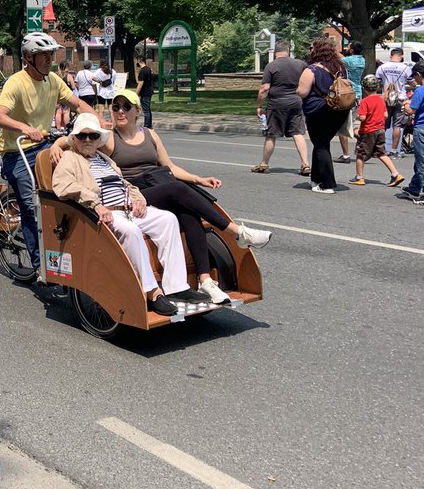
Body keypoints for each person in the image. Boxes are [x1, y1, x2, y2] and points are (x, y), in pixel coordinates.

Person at [57, 91, 272, 305]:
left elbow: (161, 168)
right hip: (115, 205)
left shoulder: (133, 143)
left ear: (137, 111)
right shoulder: (104, 142)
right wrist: (59, 145)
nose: (120, 111)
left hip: (139, 195)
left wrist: (197, 179)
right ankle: (234, 234)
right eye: (115, 107)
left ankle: (192, 283)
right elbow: (69, 164)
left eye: (126, 107)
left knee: (179, 215)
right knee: (176, 192)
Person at [52, 112, 205, 315]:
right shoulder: (70, 159)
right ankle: (153, 292)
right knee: (131, 231)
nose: (88, 140)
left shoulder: (105, 159)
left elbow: (124, 183)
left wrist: (138, 199)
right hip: (105, 213)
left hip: (128, 208)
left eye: (93, 136)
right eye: (82, 136)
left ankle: (176, 287)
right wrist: (96, 204)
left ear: (99, 140)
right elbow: (62, 185)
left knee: (168, 220)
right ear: (74, 139)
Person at [0, 33, 93, 274]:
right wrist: (26, 128)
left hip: (45, 147)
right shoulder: (16, 83)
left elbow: (77, 104)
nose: (49, 59)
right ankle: (41, 268)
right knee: (29, 204)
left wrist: (99, 121)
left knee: (73, 182)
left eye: (51, 54)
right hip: (16, 151)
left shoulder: (53, 81)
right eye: (43, 55)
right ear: (28, 57)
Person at [296, 37, 350, 194]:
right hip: (339, 109)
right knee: (322, 143)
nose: (309, 50)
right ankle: (316, 179)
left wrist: (296, 89)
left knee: (320, 145)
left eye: (311, 47)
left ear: (317, 50)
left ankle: (327, 184)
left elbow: (303, 92)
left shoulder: (311, 69)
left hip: (318, 110)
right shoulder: (339, 67)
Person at [252, 41, 311, 175]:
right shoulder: (300, 64)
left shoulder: (271, 66)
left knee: (271, 135)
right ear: (288, 51)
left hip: (276, 105)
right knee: (298, 133)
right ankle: (305, 164)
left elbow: (264, 89)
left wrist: (259, 106)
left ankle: (264, 164)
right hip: (296, 103)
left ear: (274, 53)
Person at [348, 75, 404, 188]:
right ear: (377, 87)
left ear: (364, 88)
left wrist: (358, 116)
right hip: (380, 130)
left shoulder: (364, 101)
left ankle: (359, 177)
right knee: (381, 153)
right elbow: (385, 115)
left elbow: (363, 117)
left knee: (360, 154)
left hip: (368, 131)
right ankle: (395, 174)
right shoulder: (381, 99)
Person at [376, 48, 412, 158]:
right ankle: (394, 151)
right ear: (401, 56)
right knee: (397, 126)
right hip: (400, 99)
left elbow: (377, 83)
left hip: (386, 99)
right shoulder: (406, 68)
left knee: (383, 125)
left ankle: (380, 149)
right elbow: (412, 82)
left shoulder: (382, 67)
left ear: (390, 56)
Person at [398, 70, 424, 204]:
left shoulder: (420, 91)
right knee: (419, 161)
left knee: (421, 162)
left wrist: (406, 104)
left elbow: (411, 111)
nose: (414, 79)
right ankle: (414, 187)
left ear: (419, 74)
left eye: (414, 76)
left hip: (421, 127)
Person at [135, 57, 155, 128]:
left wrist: (135, 94)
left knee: (146, 110)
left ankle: (147, 126)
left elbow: (140, 84)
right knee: (148, 109)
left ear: (139, 61)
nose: (136, 63)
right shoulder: (148, 69)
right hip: (149, 91)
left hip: (145, 92)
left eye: (136, 61)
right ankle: (149, 125)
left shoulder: (143, 71)